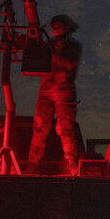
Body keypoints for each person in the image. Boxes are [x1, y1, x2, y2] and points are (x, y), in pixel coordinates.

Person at [27, 15, 83, 176]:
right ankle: (33, 165)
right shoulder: (48, 45)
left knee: (65, 129)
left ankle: (71, 164)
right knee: (39, 128)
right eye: (54, 26)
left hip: (64, 91)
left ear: (66, 27)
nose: (56, 29)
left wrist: (51, 53)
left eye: (59, 26)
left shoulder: (73, 46)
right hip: (46, 91)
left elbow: (69, 63)